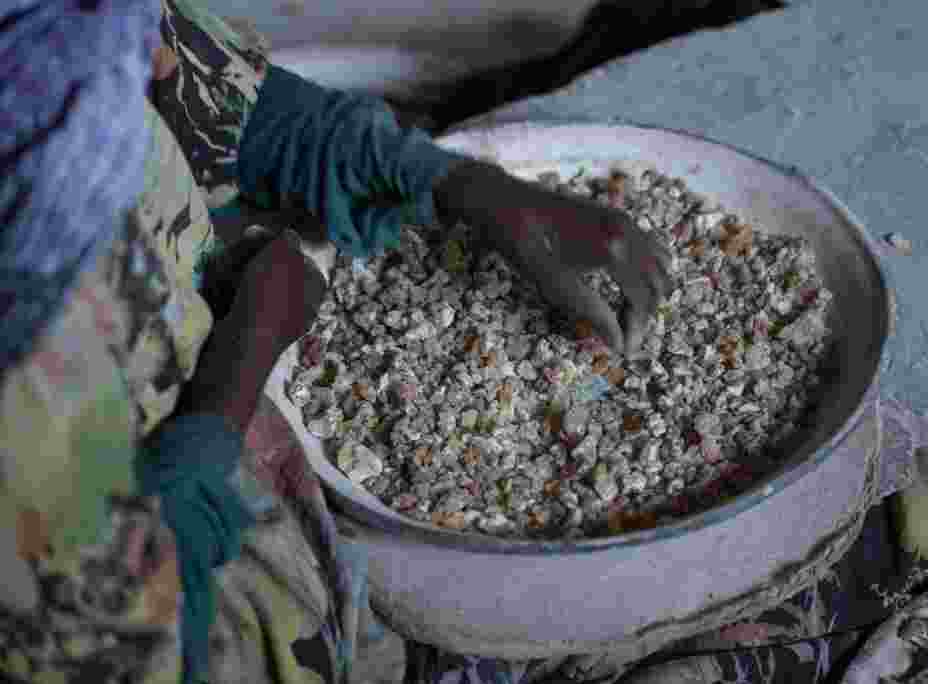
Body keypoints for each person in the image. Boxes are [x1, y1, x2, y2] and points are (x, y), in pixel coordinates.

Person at [0, 1, 671, 683]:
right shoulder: (28, 405)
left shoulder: (63, 25)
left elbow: (207, 94)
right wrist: (247, 351)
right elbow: (140, 636)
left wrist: (462, 184)